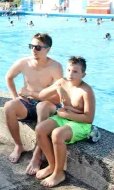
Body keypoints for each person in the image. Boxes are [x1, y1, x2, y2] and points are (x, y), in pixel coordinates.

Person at [4, 33, 63, 173]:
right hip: (28, 104)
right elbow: (9, 77)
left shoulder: (55, 67)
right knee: (8, 107)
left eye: (37, 47)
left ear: (47, 49)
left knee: (42, 107)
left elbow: (59, 97)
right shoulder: (23, 63)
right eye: (31, 46)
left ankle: (37, 155)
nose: (33, 50)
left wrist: (34, 94)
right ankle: (18, 145)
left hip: (46, 105)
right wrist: (15, 97)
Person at [35, 56, 95, 187]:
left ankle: (59, 173)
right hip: (63, 118)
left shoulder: (86, 90)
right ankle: (52, 165)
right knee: (40, 129)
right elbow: (42, 95)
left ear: (83, 75)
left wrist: (67, 113)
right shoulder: (62, 82)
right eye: (68, 70)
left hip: (80, 124)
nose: (70, 74)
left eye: (75, 72)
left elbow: (89, 118)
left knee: (57, 134)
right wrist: (57, 88)